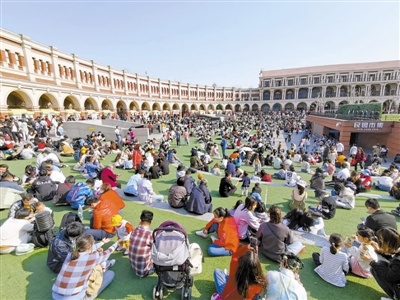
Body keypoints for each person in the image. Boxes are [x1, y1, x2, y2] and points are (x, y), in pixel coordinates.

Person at [52, 234, 118, 300]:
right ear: (90, 246)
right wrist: (117, 242)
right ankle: (105, 267)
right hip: (77, 298)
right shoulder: (91, 257)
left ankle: (104, 267)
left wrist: (102, 242)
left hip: (55, 296)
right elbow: (108, 252)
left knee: (92, 271)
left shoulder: (70, 254)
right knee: (110, 274)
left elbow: (87, 249)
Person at [361, 227, 400, 300]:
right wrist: (379, 250)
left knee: (376, 268)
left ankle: (395, 297)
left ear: (387, 242)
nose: (377, 242)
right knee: (381, 264)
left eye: (380, 240)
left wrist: (371, 262)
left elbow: (389, 277)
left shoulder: (398, 261)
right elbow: (392, 256)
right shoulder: (397, 249)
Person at [128, 210, 154, 278]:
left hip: (133, 266)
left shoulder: (134, 230)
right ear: (151, 222)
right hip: (144, 271)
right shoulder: (151, 234)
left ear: (140, 220)